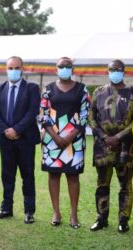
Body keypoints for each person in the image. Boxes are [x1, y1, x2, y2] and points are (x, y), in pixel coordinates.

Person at [89, 59, 133, 233]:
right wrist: (103, 136)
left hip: (126, 148)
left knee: (126, 186)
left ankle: (123, 220)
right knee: (102, 184)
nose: (115, 72)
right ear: (107, 71)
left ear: (124, 71)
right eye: (112, 69)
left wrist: (118, 136)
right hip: (103, 148)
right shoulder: (99, 92)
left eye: (118, 69)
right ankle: (101, 218)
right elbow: (91, 116)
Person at [39, 57, 90, 228]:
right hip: (52, 139)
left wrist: (69, 136)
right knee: (53, 175)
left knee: (73, 176)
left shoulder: (82, 90)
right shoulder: (48, 89)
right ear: (56, 69)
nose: (65, 68)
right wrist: (55, 136)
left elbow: (84, 116)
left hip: (74, 141)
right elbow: (43, 115)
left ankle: (73, 215)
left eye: (68, 66)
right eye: (62, 66)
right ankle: (56, 212)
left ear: (73, 69)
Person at [0, 56, 40, 224]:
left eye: (16, 68)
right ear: (6, 69)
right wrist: (6, 130)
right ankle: (6, 208)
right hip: (6, 140)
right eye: (10, 68)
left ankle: (29, 211)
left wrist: (17, 129)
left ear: (22, 69)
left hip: (25, 139)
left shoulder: (32, 88)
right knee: (7, 175)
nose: (13, 71)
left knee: (27, 175)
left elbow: (32, 112)